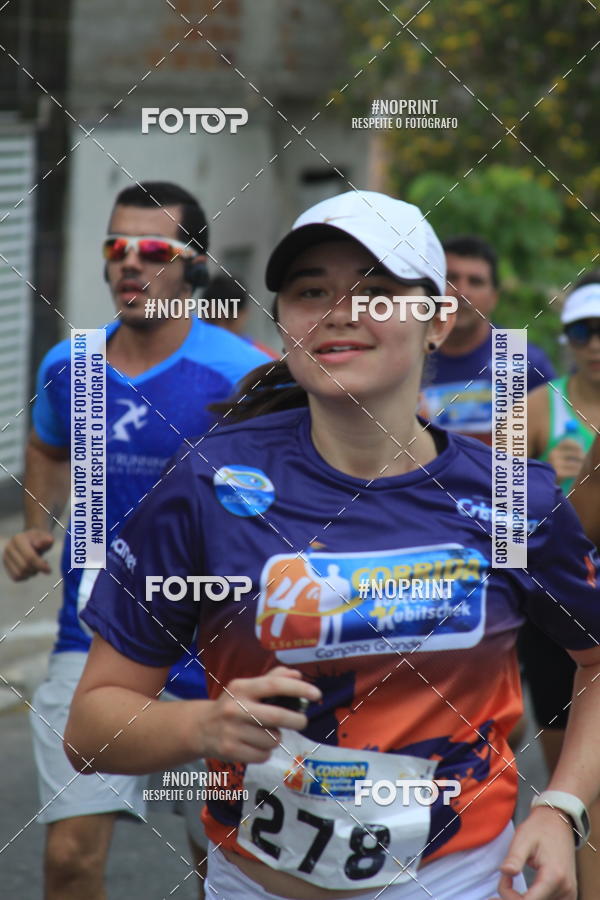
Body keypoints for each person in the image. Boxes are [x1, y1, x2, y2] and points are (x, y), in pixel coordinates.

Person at [65, 189, 600, 900]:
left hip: (460, 881)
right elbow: (91, 728)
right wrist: (202, 725)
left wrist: (562, 806)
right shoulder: (207, 483)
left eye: (375, 292)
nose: (339, 312)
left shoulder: (510, 499)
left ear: (439, 318)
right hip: (253, 886)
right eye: (310, 291)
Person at [2, 181, 270, 900]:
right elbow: (47, 446)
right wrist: (37, 525)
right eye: (116, 247)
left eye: (153, 249)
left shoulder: (244, 375)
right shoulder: (70, 365)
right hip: (91, 642)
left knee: (224, 869)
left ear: (196, 264)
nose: (130, 262)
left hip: (214, 653)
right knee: (69, 859)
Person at [523, 276, 600, 897]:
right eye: (583, 331)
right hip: (562, 617)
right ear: (566, 338)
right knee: (574, 790)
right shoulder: (530, 412)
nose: (597, 344)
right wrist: (553, 488)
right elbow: (507, 539)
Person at [420, 236, 555, 443]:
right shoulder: (406, 355)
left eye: (475, 282)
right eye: (451, 279)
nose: (462, 293)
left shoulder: (524, 358)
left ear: (494, 298)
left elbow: (552, 441)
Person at [203, 272, 279, 358]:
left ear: (244, 314)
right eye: (212, 320)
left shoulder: (266, 359)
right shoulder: (192, 347)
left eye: (229, 320)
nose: (221, 329)